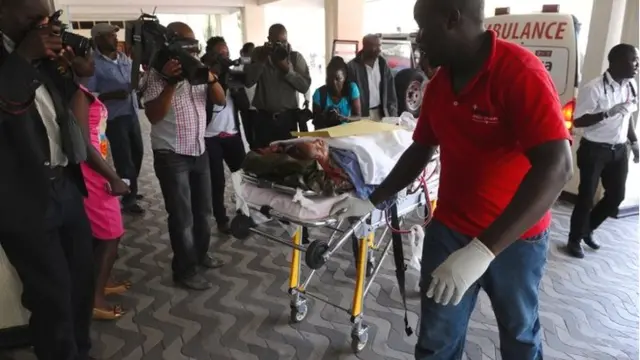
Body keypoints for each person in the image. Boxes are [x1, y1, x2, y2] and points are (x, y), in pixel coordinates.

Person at [338, 0, 573, 358]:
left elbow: (557, 167)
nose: (419, 38)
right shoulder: (439, 86)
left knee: (520, 334)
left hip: (516, 241)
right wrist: (374, 199)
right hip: (450, 231)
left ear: (452, 19)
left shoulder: (519, 72)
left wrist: (482, 251)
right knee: (436, 340)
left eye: (423, 26)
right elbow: (419, 150)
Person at [0, 0, 126, 358]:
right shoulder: (20, 53)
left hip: (66, 188)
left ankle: (79, 351)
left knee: (81, 285)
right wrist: (23, 57)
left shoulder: (40, 53)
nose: (42, 25)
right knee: (50, 296)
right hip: (22, 198)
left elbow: (66, 103)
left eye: (47, 18)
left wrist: (74, 66)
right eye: (32, 18)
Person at [143, 22, 226, 290]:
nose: (191, 48)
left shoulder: (199, 68)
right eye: (184, 43)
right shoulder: (156, 74)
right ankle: (184, 270)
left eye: (193, 43)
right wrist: (171, 82)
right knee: (181, 217)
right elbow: (154, 116)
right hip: (171, 154)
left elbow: (221, 100)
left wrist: (209, 76)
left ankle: (201, 255)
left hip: (198, 150)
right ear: (171, 44)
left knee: (204, 212)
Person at [69, 46, 132, 320]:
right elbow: (83, 143)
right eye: (87, 57)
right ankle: (94, 299)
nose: (93, 62)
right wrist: (113, 177)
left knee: (106, 235)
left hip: (97, 170)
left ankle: (101, 282)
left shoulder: (81, 93)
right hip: (92, 175)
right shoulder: (77, 96)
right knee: (110, 235)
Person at [566, 44, 639, 259]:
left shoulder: (631, 86)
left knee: (616, 196)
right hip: (594, 150)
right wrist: (606, 113)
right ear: (616, 62)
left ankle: (588, 229)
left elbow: (628, 116)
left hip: (619, 150)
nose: (637, 64)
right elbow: (578, 121)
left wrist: (634, 143)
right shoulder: (594, 88)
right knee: (586, 197)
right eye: (633, 60)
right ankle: (574, 239)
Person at [89, 23, 145, 214]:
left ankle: (130, 185)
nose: (114, 38)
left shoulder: (124, 59)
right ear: (97, 39)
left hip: (132, 113)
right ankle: (128, 200)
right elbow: (89, 94)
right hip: (114, 117)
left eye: (115, 34)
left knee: (138, 153)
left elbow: (135, 80)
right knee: (124, 159)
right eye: (109, 35)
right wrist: (111, 95)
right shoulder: (93, 63)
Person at [201, 36, 247, 234]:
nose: (226, 58)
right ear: (211, 56)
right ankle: (221, 219)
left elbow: (244, 105)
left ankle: (245, 213)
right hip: (209, 136)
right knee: (217, 181)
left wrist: (236, 88)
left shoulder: (233, 74)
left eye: (227, 54)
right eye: (221, 55)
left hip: (232, 134)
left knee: (242, 176)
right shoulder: (202, 75)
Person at [244, 23, 311, 149]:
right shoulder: (259, 53)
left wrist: (287, 70)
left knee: (288, 159)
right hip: (263, 119)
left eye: (284, 42)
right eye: (277, 43)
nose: (281, 46)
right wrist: (262, 60)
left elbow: (304, 87)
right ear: (269, 40)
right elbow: (248, 82)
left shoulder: (295, 57)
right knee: (264, 158)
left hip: (287, 119)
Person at [347, 34, 397, 120]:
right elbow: (347, 95)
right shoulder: (352, 67)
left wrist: (393, 114)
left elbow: (390, 92)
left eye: (379, 46)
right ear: (365, 47)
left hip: (382, 114)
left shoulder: (383, 64)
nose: (379, 50)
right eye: (375, 46)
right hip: (362, 116)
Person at [312, 56, 361, 128]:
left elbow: (358, 116)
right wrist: (325, 116)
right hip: (325, 135)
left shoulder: (351, 89)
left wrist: (344, 118)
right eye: (330, 78)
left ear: (345, 77)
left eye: (338, 79)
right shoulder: (319, 94)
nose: (334, 83)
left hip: (346, 134)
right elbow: (316, 122)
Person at [239, 42, 257, 147]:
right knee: (250, 137)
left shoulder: (257, 66)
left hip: (257, 108)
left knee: (259, 137)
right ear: (243, 53)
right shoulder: (240, 66)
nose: (252, 56)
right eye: (250, 53)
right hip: (246, 108)